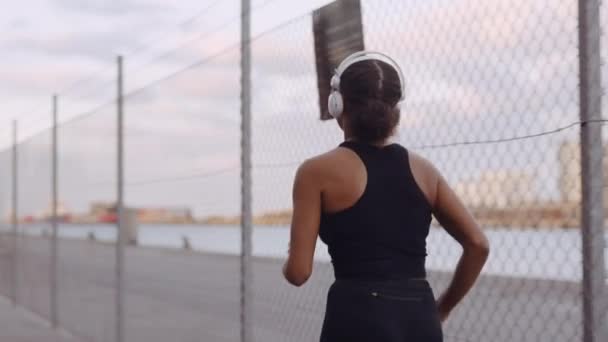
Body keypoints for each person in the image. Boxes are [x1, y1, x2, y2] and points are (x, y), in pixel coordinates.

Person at [282, 51, 490, 341]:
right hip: (420, 318)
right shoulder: (425, 171)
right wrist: (441, 309)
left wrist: (292, 254)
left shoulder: (316, 172)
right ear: (395, 110)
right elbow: (478, 245)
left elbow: (298, 273)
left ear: (337, 104)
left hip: (357, 318)